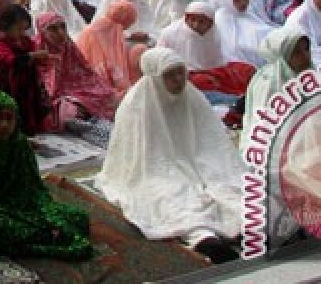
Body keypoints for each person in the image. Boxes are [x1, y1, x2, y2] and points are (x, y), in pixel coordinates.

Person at [97, 48, 243, 263]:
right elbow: (139, 160)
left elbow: (214, 143)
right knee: (170, 196)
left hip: (199, 163)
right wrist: (178, 171)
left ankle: (242, 228)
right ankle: (203, 238)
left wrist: (203, 169)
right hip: (155, 171)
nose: (178, 80)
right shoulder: (135, 107)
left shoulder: (193, 97)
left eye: (180, 73)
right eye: (170, 75)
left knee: (227, 187)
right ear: (156, 77)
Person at [0, 91, 93, 261]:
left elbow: (33, 188)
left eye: (9, 119)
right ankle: (46, 236)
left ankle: (36, 236)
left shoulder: (20, 145)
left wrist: (46, 213)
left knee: (79, 218)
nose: (4, 125)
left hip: (22, 207)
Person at [34, 12, 116, 144]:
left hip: (77, 93)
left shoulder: (69, 46)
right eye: (53, 28)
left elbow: (89, 75)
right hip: (52, 101)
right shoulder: (36, 50)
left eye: (63, 27)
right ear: (42, 31)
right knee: (68, 113)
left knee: (108, 95)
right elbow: (42, 88)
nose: (60, 33)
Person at [157, 2, 256, 97]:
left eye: (201, 22)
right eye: (192, 20)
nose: (195, 25)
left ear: (210, 23)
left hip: (213, 72)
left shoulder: (213, 34)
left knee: (246, 70)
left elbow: (217, 63)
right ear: (186, 19)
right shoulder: (170, 33)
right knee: (203, 82)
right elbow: (162, 64)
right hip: (183, 75)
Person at [242, 27, 312, 138]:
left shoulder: (309, 74)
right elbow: (264, 127)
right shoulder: (269, 83)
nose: (305, 56)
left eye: (306, 49)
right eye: (297, 52)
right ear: (284, 56)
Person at [0, 5, 51, 136]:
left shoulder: (26, 41)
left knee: (32, 105)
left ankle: (33, 128)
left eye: (24, 29)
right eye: (18, 29)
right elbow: (10, 60)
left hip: (30, 82)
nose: (22, 32)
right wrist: (32, 56)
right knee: (17, 108)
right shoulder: (1, 45)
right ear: (6, 27)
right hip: (12, 85)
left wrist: (42, 58)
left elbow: (36, 56)